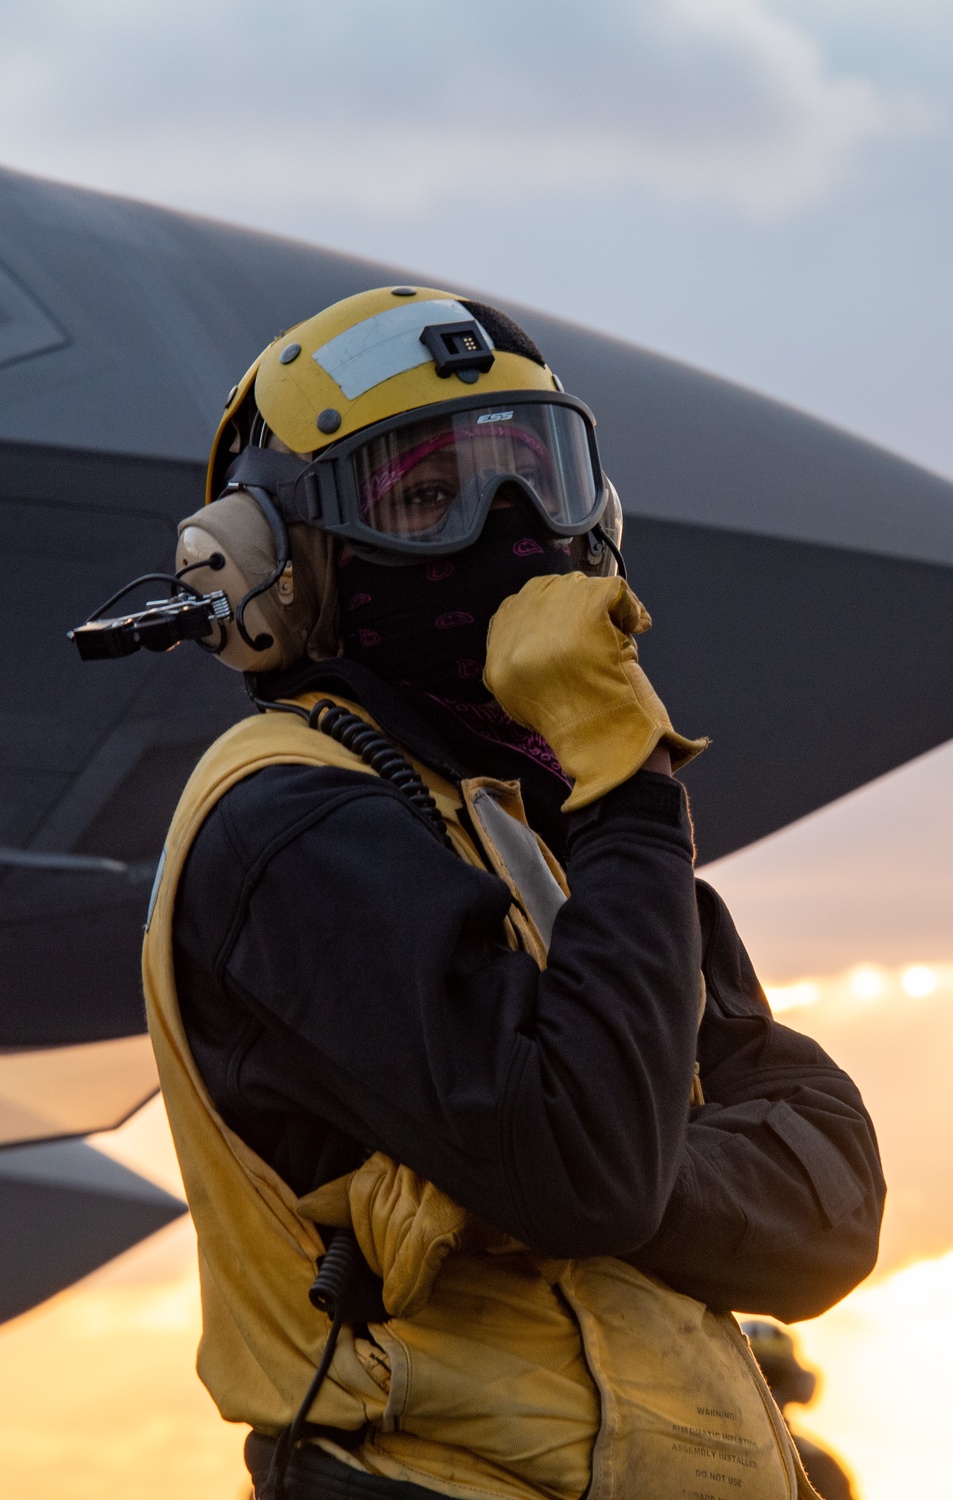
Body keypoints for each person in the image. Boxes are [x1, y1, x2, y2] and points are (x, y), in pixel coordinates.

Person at [142, 286, 885, 1500]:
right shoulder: (288, 825)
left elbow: (826, 1206)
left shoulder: (531, 819)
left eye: (535, 481)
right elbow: (591, 1161)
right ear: (277, 564)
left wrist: (608, 1172)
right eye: (425, 497)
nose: (510, 530)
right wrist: (631, 782)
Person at [741, 1321, 858, 1500]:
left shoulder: (822, 1469)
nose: (763, 1391)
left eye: (772, 1379)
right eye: (747, 1377)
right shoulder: (823, 1466)